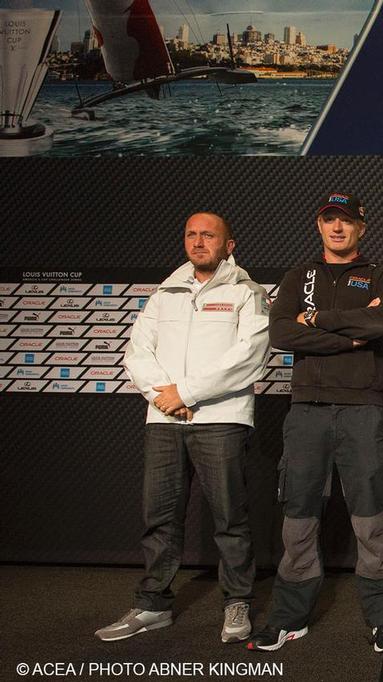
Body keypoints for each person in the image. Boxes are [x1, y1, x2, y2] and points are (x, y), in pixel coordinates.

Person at [96, 212, 271, 643]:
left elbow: (249, 356)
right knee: (159, 518)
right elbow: (137, 351)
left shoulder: (246, 292)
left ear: (229, 245)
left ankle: (237, 602)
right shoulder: (165, 293)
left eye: (208, 235)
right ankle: (153, 604)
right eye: (191, 235)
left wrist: (186, 393)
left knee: (230, 518)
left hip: (221, 419)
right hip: (164, 419)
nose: (198, 242)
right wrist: (164, 396)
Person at [248, 193, 383, 653]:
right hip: (307, 411)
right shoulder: (299, 276)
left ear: (361, 228)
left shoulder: (380, 275)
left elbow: (382, 322)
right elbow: (281, 333)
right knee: (298, 519)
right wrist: (350, 338)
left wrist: (316, 322)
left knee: (371, 520)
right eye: (330, 220)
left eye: (347, 221)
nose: (338, 228)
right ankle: (290, 618)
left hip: (361, 410)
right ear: (319, 226)